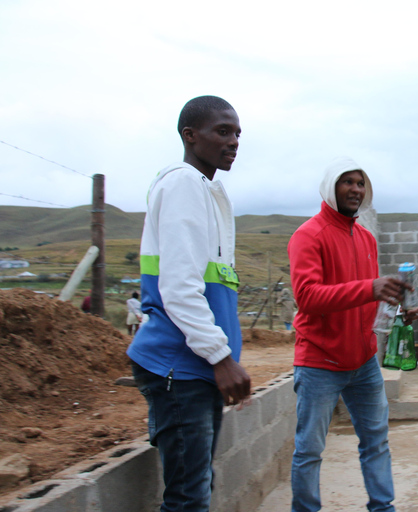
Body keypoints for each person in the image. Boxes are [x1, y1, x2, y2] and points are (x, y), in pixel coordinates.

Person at [127, 96, 252, 511]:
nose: (233, 141)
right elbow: (180, 289)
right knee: (188, 498)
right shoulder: (182, 184)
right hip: (179, 367)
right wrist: (221, 357)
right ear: (190, 135)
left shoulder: (204, 189)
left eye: (237, 133)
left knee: (194, 490)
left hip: (193, 368)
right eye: (222, 131)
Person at [288, 156, 411, 512]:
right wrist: (371, 289)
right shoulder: (308, 235)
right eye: (347, 182)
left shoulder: (366, 238)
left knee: (376, 441)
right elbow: (308, 298)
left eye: (360, 183)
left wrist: (396, 309)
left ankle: (382, 507)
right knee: (309, 450)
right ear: (331, 187)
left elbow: (369, 297)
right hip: (319, 363)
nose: (355, 189)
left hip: (363, 362)